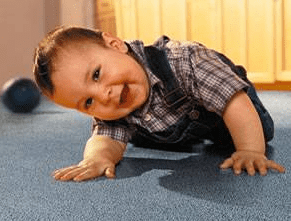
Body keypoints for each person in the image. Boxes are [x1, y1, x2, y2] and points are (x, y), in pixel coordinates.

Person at [33, 26, 285, 181]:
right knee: (130, 129)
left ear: (115, 44)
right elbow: (105, 137)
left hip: (226, 99)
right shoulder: (113, 107)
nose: (104, 95)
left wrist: (250, 151)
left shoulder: (186, 61)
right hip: (174, 121)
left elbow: (233, 102)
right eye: (88, 102)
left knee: (257, 131)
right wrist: (97, 158)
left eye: (97, 75)